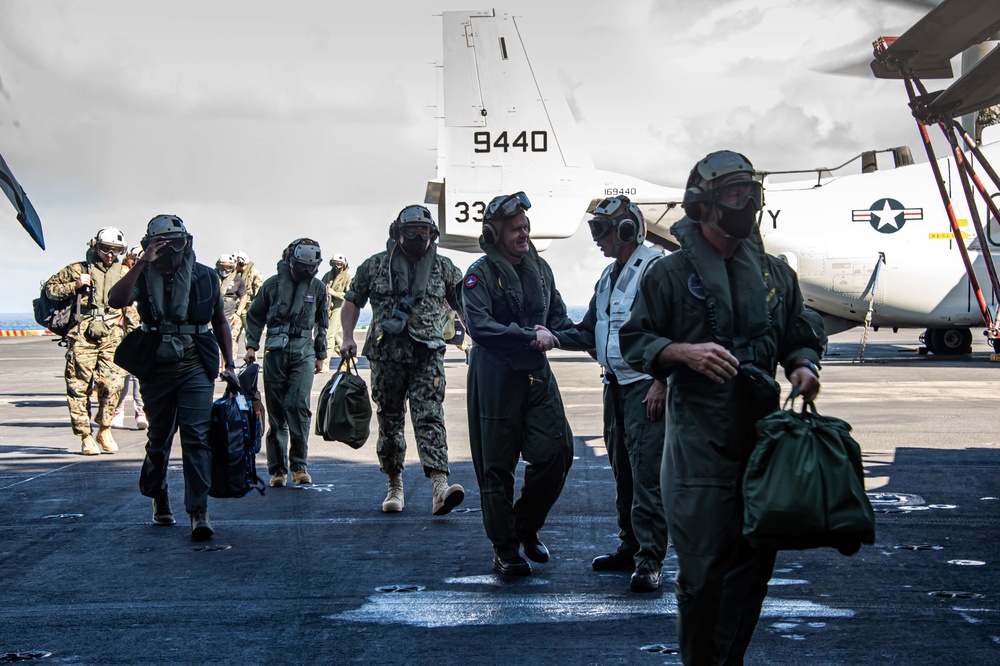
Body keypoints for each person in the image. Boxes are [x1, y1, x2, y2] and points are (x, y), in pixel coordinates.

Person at [619, 151, 825, 664]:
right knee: (703, 573)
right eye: (735, 193)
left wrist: (804, 365)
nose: (747, 202)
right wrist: (681, 353)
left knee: (756, 564)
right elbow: (635, 339)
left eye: (751, 192)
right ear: (703, 205)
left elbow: (800, 333)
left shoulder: (776, 277)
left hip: (762, 444)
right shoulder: (668, 276)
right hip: (697, 447)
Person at [554, 195, 669, 592]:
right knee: (623, 471)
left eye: (602, 231)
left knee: (647, 475)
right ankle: (630, 546)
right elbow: (589, 329)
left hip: (645, 388)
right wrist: (551, 337)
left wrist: (662, 381)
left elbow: (677, 329)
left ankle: (650, 560)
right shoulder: (607, 277)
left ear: (626, 229)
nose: (597, 239)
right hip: (615, 386)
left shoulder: (656, 269)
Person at [461, 192, 575, 576]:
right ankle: (505, 547)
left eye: (526, 227)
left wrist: (590, 340)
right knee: (496, 467)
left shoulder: (541, 270)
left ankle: (524, 526)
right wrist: (529, 334)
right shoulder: (478, 275)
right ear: (494, 234)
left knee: (558, 450)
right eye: (515, 229)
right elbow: (479, 326)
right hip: (495, 376)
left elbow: (558, 318)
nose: (524, 234)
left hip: (535, 373)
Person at [108, 214, 239, 541]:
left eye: (176, 242)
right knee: (159, 437)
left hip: (195, 360)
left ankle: (199, 510)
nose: (171, 249)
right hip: (155, 362)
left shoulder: (206, 276)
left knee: (197, 436)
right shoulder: (143, 273)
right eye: (162, 243)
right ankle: (159, 495)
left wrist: (230, 364)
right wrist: (141, 263)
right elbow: (116, 300)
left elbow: (219, 320)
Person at [341, 205, 465, 515]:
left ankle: (440, 486)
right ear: (398, 232)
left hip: (428, 355)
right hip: (387, 356)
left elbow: (464, 304)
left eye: (424, 233)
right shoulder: (375, 266)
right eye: (411, 232)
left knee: (430, 417)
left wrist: (476, 337)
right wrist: (347, 337)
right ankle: (394, 484)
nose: (418, 238)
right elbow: (352, 302)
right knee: (391, 421)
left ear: (432, 235)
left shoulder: (445, 268)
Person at [244, 238, 329, 488]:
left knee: (299, 407)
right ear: (290, 261)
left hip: (304, 351)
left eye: (311, 268)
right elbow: (255, 316)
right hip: (275, 352)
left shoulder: (318, 288)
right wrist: (251, 346)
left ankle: (299, 466)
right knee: (277, 413)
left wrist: (321, 354)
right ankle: (277, 470)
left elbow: (322, 323)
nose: (307, 272)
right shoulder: (272, 286)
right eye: (302, 266)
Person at [44, 226, 131, 455]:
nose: (110, 255)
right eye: (105, 249)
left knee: (113, 384)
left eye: (115, 250)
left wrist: (134, 336)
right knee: (78, 385)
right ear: (96, 247)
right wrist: (75, 285)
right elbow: (50, 290)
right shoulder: (78, 269)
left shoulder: (124, 272)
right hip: (82, 333)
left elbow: (131, 305)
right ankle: (85, 436)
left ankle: (104, 427)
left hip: (112, 332)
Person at [111, 246, 147, 430]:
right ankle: (118, 410)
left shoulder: (150, 275)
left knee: (138, 376)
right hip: (122, 333)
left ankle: (140, 411)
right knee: (121, 375)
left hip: (141, 332)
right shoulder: (122, 274)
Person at [216, 253, 248, 370]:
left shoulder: (237, 280)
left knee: (226, 340)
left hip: (229, 314)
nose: (225, 270)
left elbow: (243, 297)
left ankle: (225, 368)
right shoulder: (212, 276)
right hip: (213, 312)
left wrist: (237, 314)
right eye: (222, 267)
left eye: (228, 267)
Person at [320, 253, 351, 369]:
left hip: (340, 308)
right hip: (328, 307)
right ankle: (348, 357)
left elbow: (349, 294)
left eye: (339, 264)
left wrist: (335, 293)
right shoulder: (328, 276)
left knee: (329, 335)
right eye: (335, 264)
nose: (337, 266)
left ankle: (325, 364)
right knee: (333, 335)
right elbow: (321, 288)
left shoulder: (348, 278)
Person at [231, 250, 264, 361]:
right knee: (232, 336)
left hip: (250, 310)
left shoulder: (255, 275)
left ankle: (250, 360)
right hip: (237, 310)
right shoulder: (233, 275)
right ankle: (231, 363)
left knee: (250, 337)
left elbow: (260, 295)